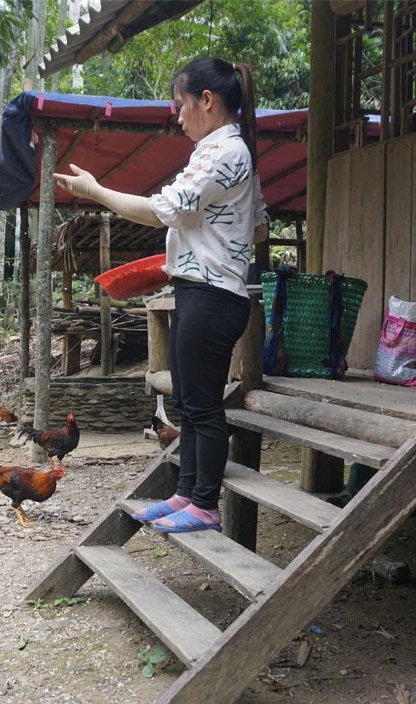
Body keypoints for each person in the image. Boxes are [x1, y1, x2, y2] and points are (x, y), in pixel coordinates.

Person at [55, 57, 267, 533]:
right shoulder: (227, 151)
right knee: (189, 403)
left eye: (180, 104)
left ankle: (205, 505)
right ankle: (186, 495)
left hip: (212, 294)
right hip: (203, 289)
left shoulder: (225, 153)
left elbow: (162, 210)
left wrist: (97, 191)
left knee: (204, 405)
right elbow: (256, 230)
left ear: (206, 101)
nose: (177, 115)